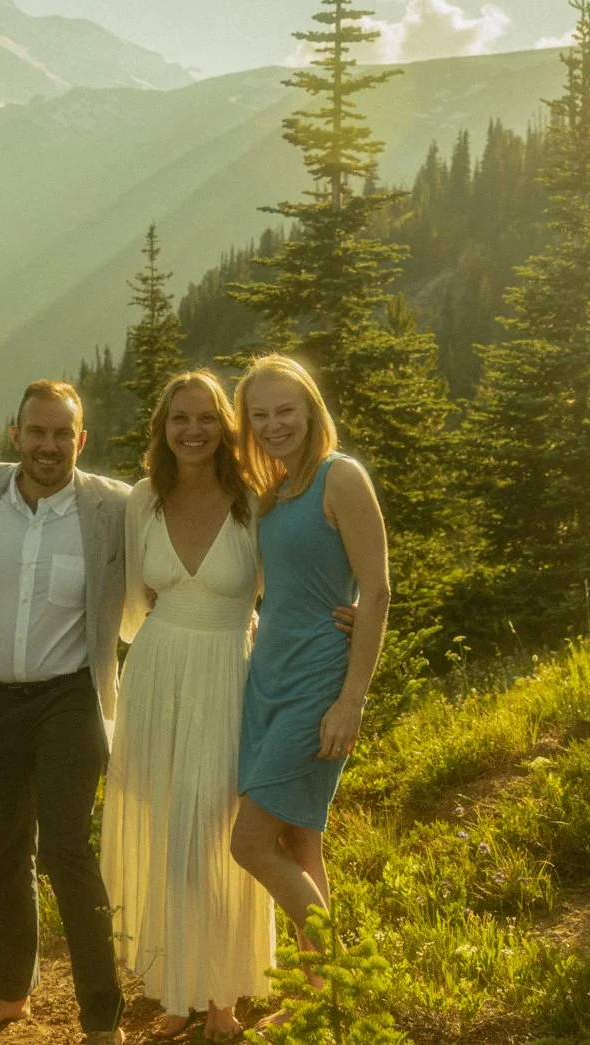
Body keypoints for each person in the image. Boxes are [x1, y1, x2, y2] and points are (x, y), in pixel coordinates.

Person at [101, 371, 275, 1041]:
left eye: (207, 418)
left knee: (219, 831)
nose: (194, 429)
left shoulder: (253, 499)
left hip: (231, 672)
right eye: (181, 419)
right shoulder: (144, 498)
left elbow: (284, 594)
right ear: (162, 428)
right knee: (174, 833)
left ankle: (225, 994)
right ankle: (178, 991)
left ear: (226, 427)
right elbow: (129, 604)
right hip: (158, 672)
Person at [0, 380, 129, 1045]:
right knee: (6, 844)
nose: (49, 445)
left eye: (63, 433)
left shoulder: (110, 507)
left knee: (64, 847)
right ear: (16, 434)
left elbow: (181, 555)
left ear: (81, 441)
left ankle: (101, 1017)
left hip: (70, 696)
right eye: (38, 431)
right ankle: (13, 992)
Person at [228, 355, 391, 959]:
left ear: (311, 411)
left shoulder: (339, 476)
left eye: (285, 411)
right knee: (300, 845)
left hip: (318, 682)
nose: (274, 425)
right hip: (268, 677)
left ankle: (340, 978)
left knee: (248, 843)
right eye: (261, 414)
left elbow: (376, 589)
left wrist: (351, 701)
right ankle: (322, 995)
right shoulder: (278, 488)